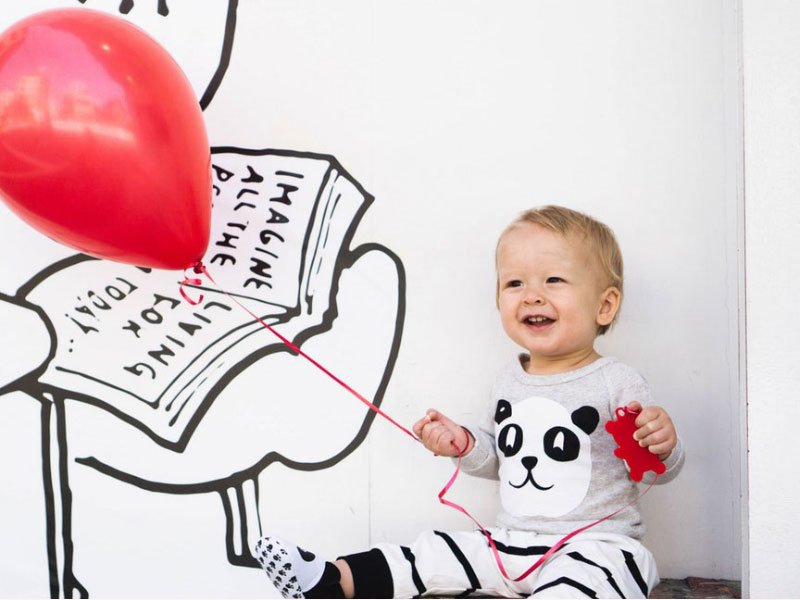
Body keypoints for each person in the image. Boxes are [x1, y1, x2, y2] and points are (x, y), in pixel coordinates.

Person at [255, 205, 685, 598]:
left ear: (605, 306)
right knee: (435, 552)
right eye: (514, 283)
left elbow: (655, 471)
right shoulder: (509, 382)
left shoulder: (618, 382)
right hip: (511, 544)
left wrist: (663, 444)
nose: (531, 295)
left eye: (553, 280)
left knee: (586, 582)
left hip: (597, 545)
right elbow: (499, 460)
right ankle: (333, 580)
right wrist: (461, 443)